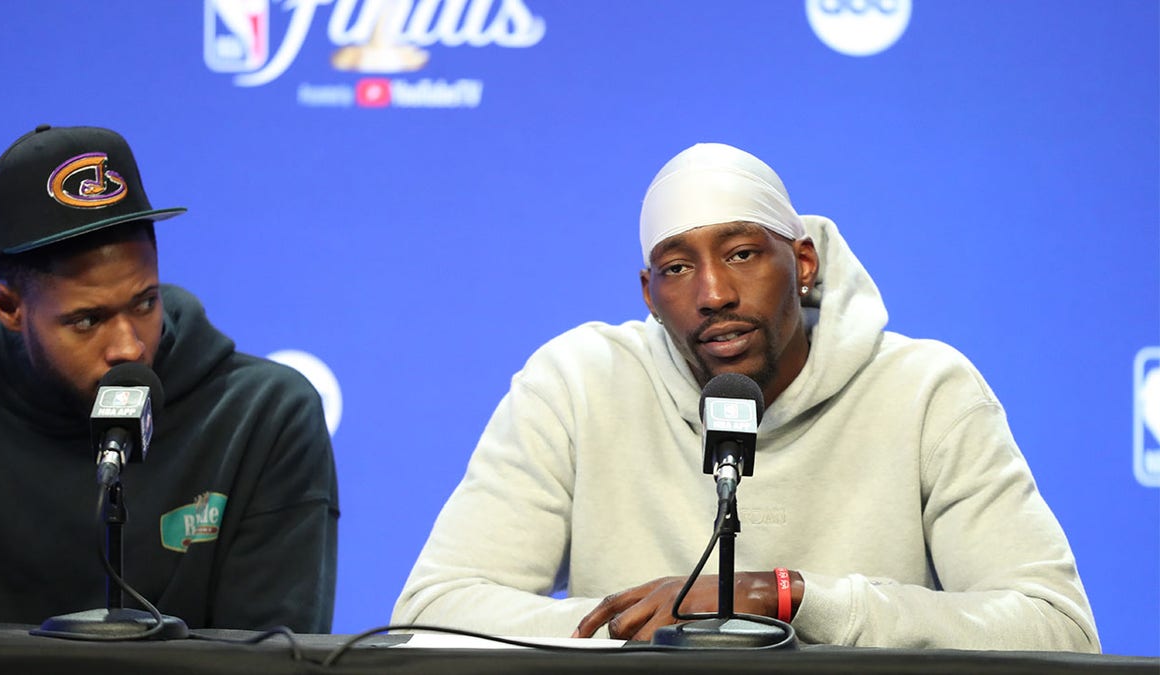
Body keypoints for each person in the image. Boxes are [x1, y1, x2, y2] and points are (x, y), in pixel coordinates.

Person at [391, 142, 1100, 651]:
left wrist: (790, 597)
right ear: (649, 293)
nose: (713, 294)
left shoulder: (925, 390)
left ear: (803, 261)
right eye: (677, 267)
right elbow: (430, 612)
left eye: (740, 254)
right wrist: (649, 629)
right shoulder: (577, 382)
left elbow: (1056, 628)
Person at [0, 125, 339, 633]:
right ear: (10, 308)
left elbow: (274, 660)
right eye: (86, 320)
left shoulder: (263, 417)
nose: (129, 347)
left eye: (144, 303)